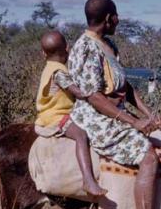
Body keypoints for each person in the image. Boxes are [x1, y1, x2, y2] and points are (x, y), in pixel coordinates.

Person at [68, 0, 161, 209]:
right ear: (107, 18)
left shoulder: (108, 44)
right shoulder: (86, 47)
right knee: (148, 155)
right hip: (95, 116)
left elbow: (124, 86)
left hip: (114, 110)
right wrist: (134, 122)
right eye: (116, 15)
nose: (119, 19)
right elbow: (95, 98)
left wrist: (149, 115)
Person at [35, 31, 108, 197]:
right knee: (81, 135)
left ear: (43, 53)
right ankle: (88, 180)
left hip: (52, 113)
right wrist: (95, 93)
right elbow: (77, 92)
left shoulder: (50, 68)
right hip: (56, 116)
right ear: (67, 49)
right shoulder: (58, 72)